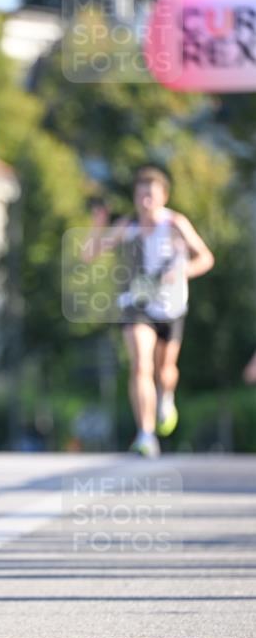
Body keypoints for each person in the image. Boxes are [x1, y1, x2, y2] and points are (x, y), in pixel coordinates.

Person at [86, 165, 214, 457]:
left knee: (165, 371)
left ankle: (166, 396)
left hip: (171, 306)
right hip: (137, 304)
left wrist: (182, 272)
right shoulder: (128, 226)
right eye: (140, 195)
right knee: (140, 365)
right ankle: (145, 434)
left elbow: (206, 258)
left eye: (151, 196)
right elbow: (90, 254)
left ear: (163, 197)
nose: (145, 202)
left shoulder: (176, 223)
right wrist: (98, 225)